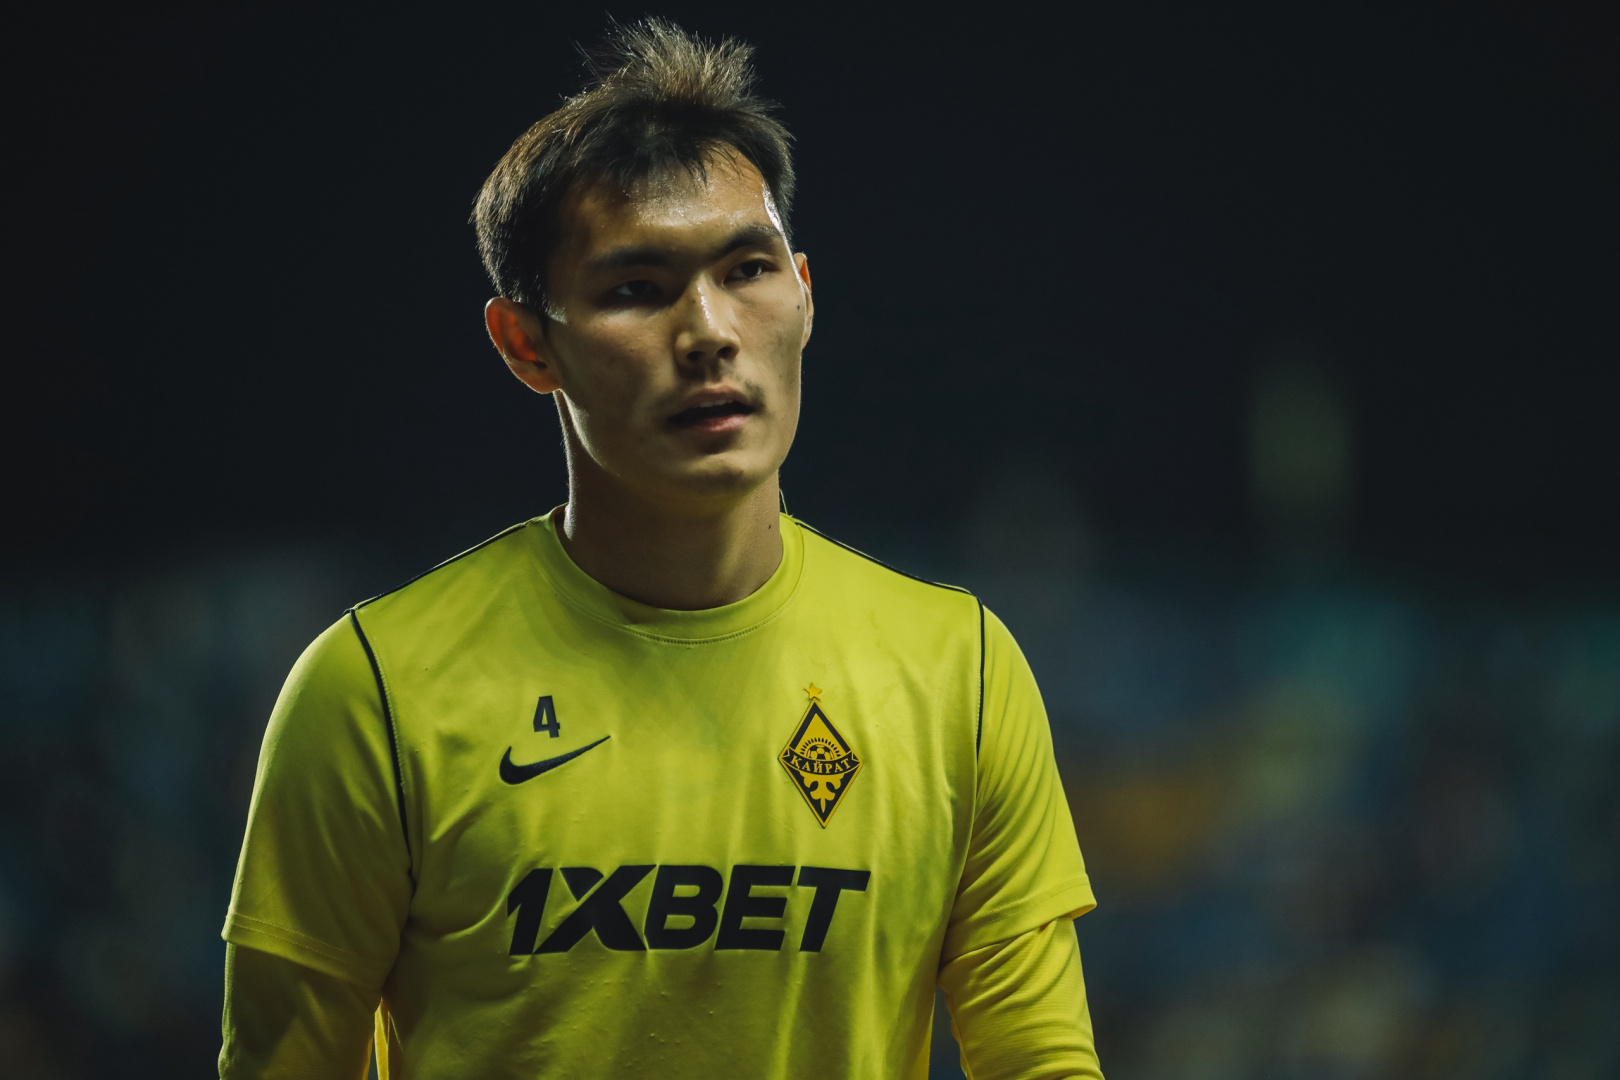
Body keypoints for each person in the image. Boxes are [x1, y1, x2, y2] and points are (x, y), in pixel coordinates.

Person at [219, 18, 1102, 1079]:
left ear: (804, 295)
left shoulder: (961, 672)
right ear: (525, 344)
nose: (710, 331)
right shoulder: (373, 693)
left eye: (747, 269)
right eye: (636, 289)